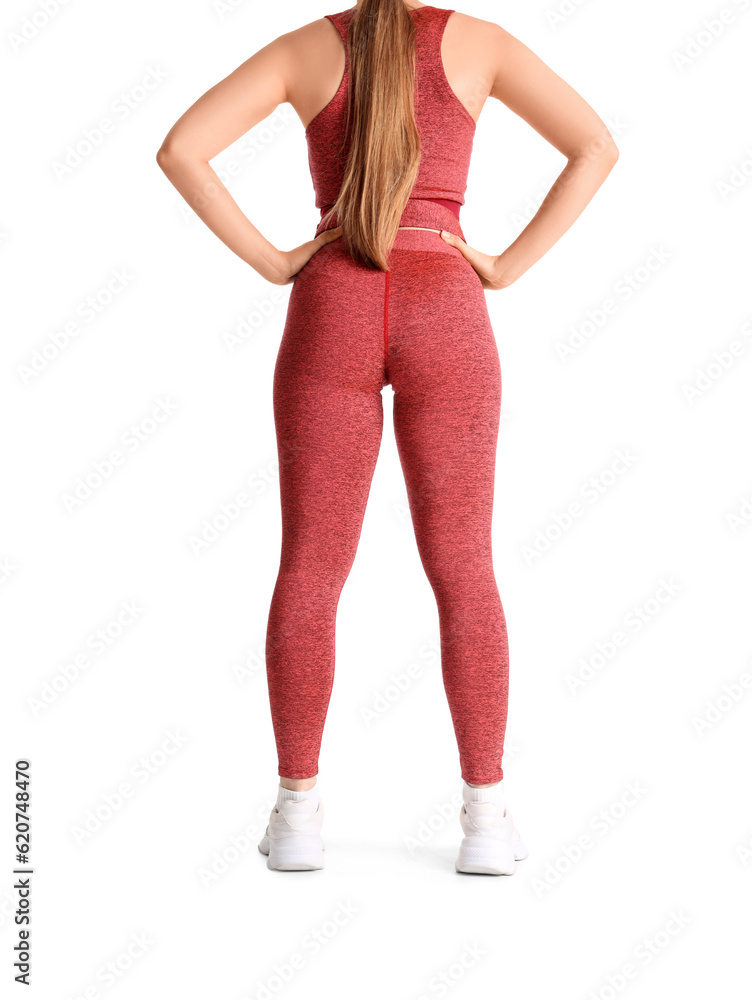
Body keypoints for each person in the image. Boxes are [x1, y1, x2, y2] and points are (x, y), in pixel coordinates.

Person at [156, 0, 618, 875]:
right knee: (465, 568)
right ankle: (486, 821)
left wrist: (277, 258)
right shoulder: (478, 42)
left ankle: (297, 816)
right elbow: (596, 145)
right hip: (447, 301)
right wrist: (504, 267)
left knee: (310, 568)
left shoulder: (305, 47)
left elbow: (180, 148)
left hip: (332, 300)